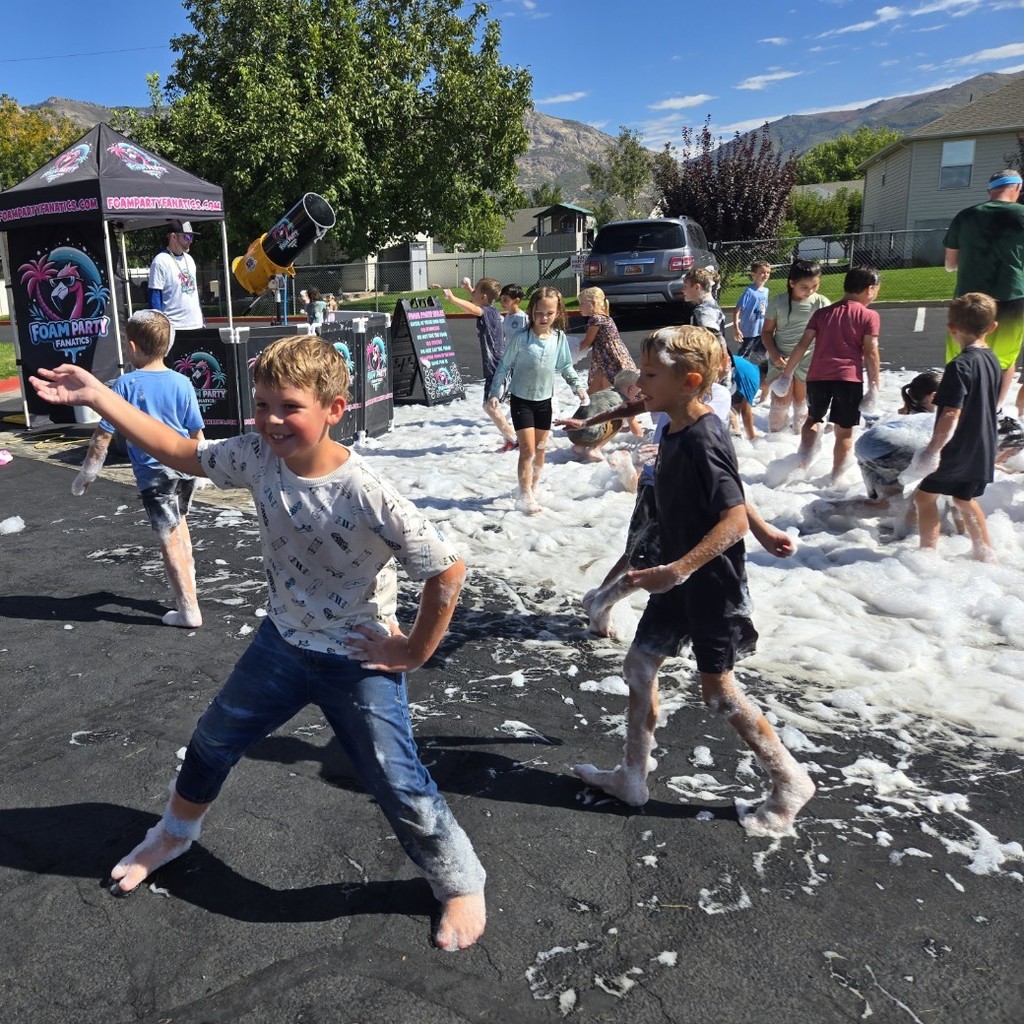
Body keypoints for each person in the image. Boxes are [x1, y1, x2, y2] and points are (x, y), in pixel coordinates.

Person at [30, 335, 487, 951]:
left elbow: (448, 571)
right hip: (281, 644)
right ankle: (174, 832)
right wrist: (101, 394)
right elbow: (177, 448)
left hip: (355, 657)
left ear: (335, 408)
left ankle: (460, 881)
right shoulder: (253, 455)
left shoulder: (366, 490)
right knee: (213, 739)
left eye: (289, 406)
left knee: (396, 779)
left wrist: (413, 652)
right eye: (263, 404)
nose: (271, 419)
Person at [570, 325, 814, 836]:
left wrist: (680, 567)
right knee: (639, 666)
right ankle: (632, 778)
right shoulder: (676, 413)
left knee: (719, 693)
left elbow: (731, 517)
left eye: (651, 377)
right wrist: (601, 417)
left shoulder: (703, 435)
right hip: (675, 578)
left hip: (706, 583)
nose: (641, 386)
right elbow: (643, 410)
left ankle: (789, 779)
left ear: (690, 381)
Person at [69, 310, 205, 628]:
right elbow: (197, 434)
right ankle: (190, 582)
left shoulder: (125, 384)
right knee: (180, 526)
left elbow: (102, 437)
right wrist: (203, 471)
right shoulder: (182, 382)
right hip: (184, 468)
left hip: (155, 475)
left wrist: (87, 474)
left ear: (132, 347)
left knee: (168, 538)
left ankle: (189, 609)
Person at [910, 293, 1001, 561]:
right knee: (963, 499)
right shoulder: (992, 361)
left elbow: (951, 414)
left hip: (958, 448)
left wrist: (933, 451)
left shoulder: (959, 366)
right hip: (983, 448)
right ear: (992, 327)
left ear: (952, 328)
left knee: (924, 497)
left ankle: (927, 556)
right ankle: (985, 552)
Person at [773, 266, 882, 484]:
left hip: (817, 377)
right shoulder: (869, 315)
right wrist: (874, 387)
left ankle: (802, 461)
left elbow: (802, 345)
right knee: (844, 431)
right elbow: (870, 351)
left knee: (813, 418)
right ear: (870, 289)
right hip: (848, 379)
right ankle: (837, 478)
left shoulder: (822, 314)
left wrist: (786, 375)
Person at [487, 286, 587, 515]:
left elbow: (565, 366)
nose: (543, 318)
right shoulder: (521, 338)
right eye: (539, 313)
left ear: (558, 313)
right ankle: (525, 495)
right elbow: (504, 365)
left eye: (549, 314)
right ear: (531, 311)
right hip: (521, 400)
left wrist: (577, 387)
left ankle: (534, 487)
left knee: (541, 449)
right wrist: (495, 393)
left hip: (544, 401)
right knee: (528, 449)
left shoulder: (559, 338)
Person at [943, 169, 1024, 410]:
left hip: (970, 300)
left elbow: (950, 264)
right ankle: (993, 411)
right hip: (1012, 296)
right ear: (1018, 189)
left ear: (990, 191)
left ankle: (956, 411)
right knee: (1004, 360)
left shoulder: (966, 216)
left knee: (960, 358)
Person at [439, 277, 516, 451]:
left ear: (483, 297)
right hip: (501, 364)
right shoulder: (492, 309)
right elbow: (478, 299)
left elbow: (474, 308)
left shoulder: (486, 312)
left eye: (474, 292)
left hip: (496, 368)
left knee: (490, 406)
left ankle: (512, 438)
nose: (471, 294)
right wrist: (468, 288)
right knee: (511, 400)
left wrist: (452, 299)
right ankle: (529, 425)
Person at [762, 260, 830, 433]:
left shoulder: (821, 303)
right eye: (804, 287)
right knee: (780, 403)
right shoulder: (778, 302)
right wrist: (774, 354)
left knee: (802, 404)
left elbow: (828, 335)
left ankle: (798, 439)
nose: (810, 291)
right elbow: (767, 332)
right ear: (792, 283)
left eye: (815, 286)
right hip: (781, 358)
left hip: (808, 359)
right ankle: (775, 440)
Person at [576, 287, 643, 437]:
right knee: (593, 394)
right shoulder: (606, 317)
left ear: (592, 303)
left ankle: (637, 435)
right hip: (610, 361)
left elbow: (586, 343)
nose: (579, 307)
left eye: (581, 303)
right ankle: (582, 424)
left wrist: (566, 350)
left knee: (616, 400)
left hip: (610, 363)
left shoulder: (596, 319)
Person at [148, 220, 204, 348]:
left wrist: (202, 320)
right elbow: (154, 298)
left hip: (196, 325)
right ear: (173, 237)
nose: (190, 241)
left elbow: (193, 294)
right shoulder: (160, 261)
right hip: (175, 328)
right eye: (186, 237)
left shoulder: (189, 259)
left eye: (192, 237)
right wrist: (159, 330)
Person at [733, 260, 771, 368]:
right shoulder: (749, 291)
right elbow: (737, 309)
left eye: (768, 272)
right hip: (749, 331)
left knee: (762, 352)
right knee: (744, 354)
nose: (766, 275)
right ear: (754, 275)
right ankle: (738, 372)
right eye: (762, 272)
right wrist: (736, 328)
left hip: (761, 330)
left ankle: (765, 370)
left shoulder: (766, 291)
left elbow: (765, 308)